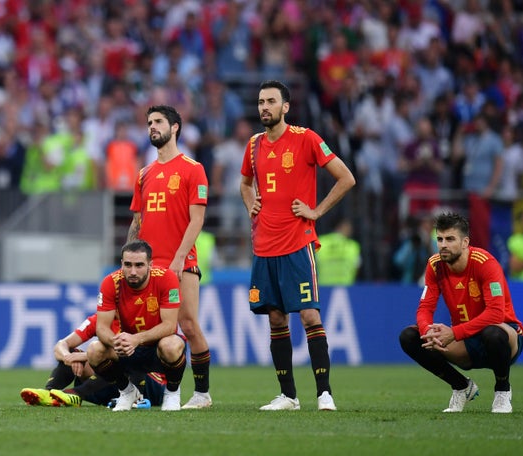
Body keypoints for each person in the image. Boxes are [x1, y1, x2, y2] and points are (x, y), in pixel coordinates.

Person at [240, 80, 356, 411]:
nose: (264, 107)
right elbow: (244, 183)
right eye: (261, 101)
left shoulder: (306, 139)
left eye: (271, 101)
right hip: (264, 246)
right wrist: (251, 203)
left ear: (285, 107)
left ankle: (324, 393)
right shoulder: (253, 145)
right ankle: (288, 396)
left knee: (308, 316)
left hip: (296, 243)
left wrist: (316, 211)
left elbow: (346, 177)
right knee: (276, 320)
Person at [127, 105, 213, 409]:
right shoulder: (144, 174)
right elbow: (137, 221)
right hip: (149, 267)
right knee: (143, 333)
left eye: (159, 122)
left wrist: (177, 260)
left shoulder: (193, 168)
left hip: (181, 263)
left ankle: (202, 393)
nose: (152, 127)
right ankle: (140, 391)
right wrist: (127, 259)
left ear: (175, 127)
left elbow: (197, 220)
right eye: (149, 122)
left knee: (188, 325)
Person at [398, 212, 523, 414]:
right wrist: (427, 331)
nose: (443, 245)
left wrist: (454, 333)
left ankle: (502, 390)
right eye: (439, 239)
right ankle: (461, 386)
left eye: (450, 239)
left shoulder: (485, 263)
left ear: (465, 242)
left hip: (504, 336)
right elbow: (424, 308)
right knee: (410, 337)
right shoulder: (435, 265)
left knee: (492, 332)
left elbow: (495, 313)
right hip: (466, 341)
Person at [82, 240, 187, 412]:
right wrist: (117, 341)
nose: (132, 271)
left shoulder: (167, 278)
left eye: (139, 265)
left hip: (157, 348)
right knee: (94, 350)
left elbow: (169, 325)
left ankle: (172, 392)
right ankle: (127, 391)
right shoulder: (110, 282)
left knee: (171, 345)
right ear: (121, 263)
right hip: (127, 348)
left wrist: (137, 339)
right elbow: (101, 328)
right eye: (128, 265)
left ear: (150, 265)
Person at [20, 313, 166, 408]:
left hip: (150, 385)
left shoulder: (140, 319)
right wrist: (69, 358)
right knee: (73, 352)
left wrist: (84, 357)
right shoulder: (98, 320)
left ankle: (77, 393)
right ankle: (50, 393)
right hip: (113, 387)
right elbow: (61, 345)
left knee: (116, 361)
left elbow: (131, 354)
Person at [316, 218, 361, 286]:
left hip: (323, 286)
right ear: (340, 227)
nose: (351, 231)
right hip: (346, 286)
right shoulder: (353, 245)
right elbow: (357, 266)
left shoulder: (321, 241)